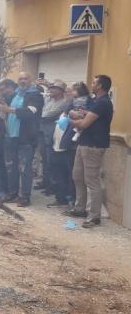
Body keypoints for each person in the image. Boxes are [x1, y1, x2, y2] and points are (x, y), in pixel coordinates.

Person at [66, 75, 114, 228]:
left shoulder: (103, 103)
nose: (91, 84)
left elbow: (85, 124)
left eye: (94, 82)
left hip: (94, 146)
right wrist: (79, 115)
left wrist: (71, 121)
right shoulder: (95, 101)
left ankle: (94, 216)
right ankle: (80, 209)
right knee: (77, 176)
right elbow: (86, 116)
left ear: (100, 86)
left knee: (92, 181)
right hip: (84, 143)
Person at [0, 73, 43, 207]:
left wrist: (9, 110)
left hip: (26, 138)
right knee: (11, 167)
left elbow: (29, 113)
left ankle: (24, 197)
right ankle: (12, 193)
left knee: (25, 168)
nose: (23, 81)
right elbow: (2, 107)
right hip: (10, 137)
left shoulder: (35, 96)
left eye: (26, 78)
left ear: (31, 80)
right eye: (20, 79)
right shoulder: (15, 94)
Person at [36, 82, 69, 196]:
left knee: (51, 161)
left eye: (54, 88)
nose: (51, 90)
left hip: (51, 134)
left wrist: (37, 115)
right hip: (42, 131)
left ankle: (52, 185)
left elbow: (46, 115)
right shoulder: (49, 100)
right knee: (43, 159)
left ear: (61, 91)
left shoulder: (63, 103)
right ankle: (45, 182)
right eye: (51, 88)